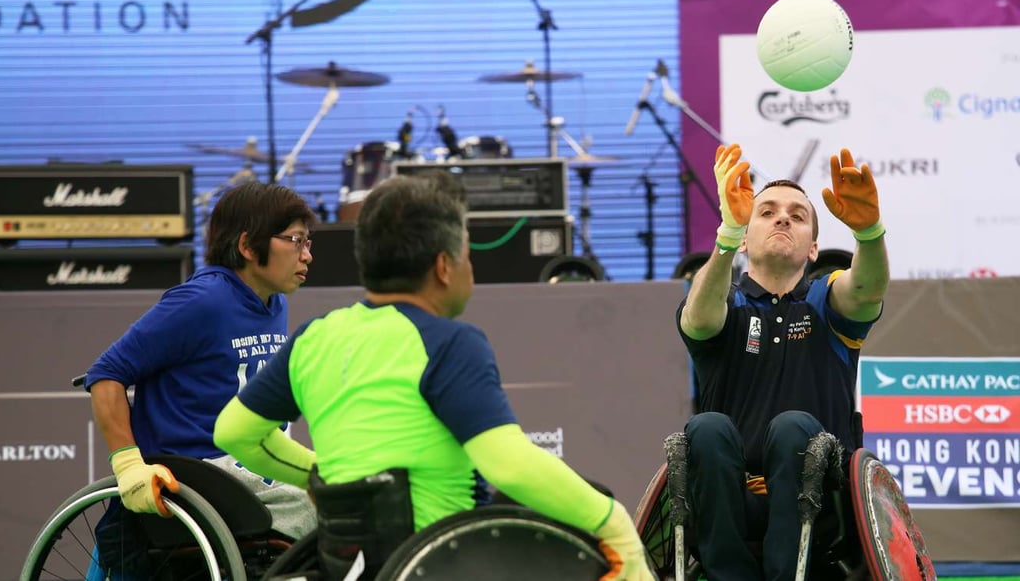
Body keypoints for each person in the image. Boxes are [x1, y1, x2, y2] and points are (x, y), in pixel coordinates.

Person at [214, 173, 653, 581]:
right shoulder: (449, 342)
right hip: (447, 560)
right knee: (594, 508)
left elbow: (234, 431)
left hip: (352, 565)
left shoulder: (315, 337)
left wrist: (325, 478)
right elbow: (509, 464)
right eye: (467, 252)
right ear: (444, 266)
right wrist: (614, 522)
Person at [676, 143, 889, 581]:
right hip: (727, 501)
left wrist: (869, 234)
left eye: (797, 213)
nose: (782, 217)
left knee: (793, 425)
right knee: (706, 428)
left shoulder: (825, 298)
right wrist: (726, 233)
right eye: (766, 211)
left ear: (813, 248)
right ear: (746, 238)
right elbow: (697, 319)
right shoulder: (725, 302)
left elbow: (866, 290)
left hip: (822, 503)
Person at [83, 181, 319, 575]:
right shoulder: (200, 301)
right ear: (247, 246)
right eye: (295, 241)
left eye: (309, 242)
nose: (307, 255)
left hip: (247, 464)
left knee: (342, 486)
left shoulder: (274, 303)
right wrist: (129, 467)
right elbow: (106, 373)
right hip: (197, 472)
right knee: (319, 502)